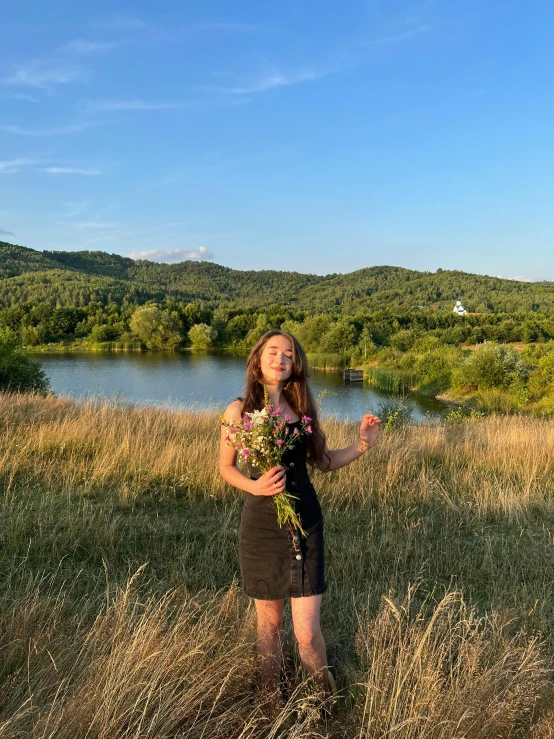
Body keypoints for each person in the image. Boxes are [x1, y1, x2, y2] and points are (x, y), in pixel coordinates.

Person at [219, 329, 380, 701]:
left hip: (305, 523)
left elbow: (323, 462)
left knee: (307, 631)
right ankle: (270, 703)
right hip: (260, 527)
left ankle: (323, 704)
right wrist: (254, 485)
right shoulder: (238, 411)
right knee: (269, 628)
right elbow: (226, 468)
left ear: (295, 365)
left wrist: (362, 445)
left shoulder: (302, 411)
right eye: (273, 352)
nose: (281, 359)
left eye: (288, 354)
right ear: (258, 360)